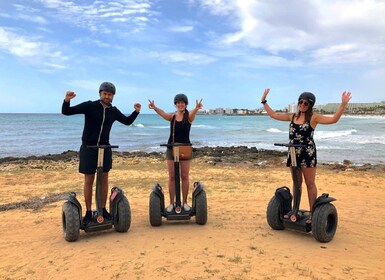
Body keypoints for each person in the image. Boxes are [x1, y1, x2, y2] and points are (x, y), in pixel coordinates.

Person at [261, 88, 352, 222]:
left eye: (306, 103)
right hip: (293, 152)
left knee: (310, 183)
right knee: (296, 183)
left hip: (307, 153)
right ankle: (295, 210)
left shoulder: (314, 118)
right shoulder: (292, 116)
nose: (302, 105)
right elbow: (273, 115)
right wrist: (264, 101)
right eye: (301, 102)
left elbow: (333, 120)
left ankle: (312, 214)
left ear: (311, 105)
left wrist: (343, 104)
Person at [62, 82, 141, 225]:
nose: (107, 96)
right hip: (88, 148)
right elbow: (66, 112)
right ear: (100, 94)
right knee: (89, 180)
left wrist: (136, 112)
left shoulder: (113, 111)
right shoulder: (90, 106)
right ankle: (87, 212)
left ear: (113, 96)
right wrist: (67, 100)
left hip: (105, 148)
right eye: (104, 94)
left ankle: (103, 209)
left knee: (104, 178)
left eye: (109, 94)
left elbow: (127, 121)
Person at [148, 94, 203, 212]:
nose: (180, 104)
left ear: (186, 104)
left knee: (184, 176)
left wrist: (197, 108)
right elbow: (163, 113)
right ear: (175, 104)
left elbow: (193, 113)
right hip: (171, 149)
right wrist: (155, 107)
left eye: (182, 102)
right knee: (172, 177)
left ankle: (185, 203)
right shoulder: (172, 117)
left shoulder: (189, 117)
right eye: (178, 102)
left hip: (185, 149)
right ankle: (172, 203)